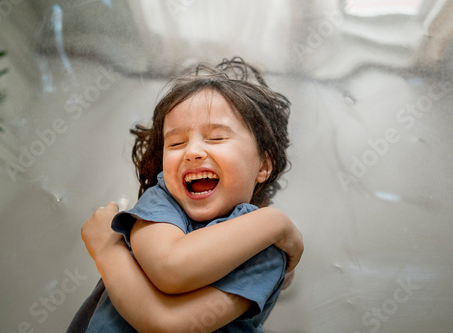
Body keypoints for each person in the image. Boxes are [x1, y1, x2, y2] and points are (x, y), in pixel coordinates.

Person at [68, 57, 304, 333]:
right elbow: (168, 264)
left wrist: (107, 248)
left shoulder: (266, 248)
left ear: (263, 165)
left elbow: (168, 323)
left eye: (216, 138)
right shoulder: (163, 201)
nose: (192, 152)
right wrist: (277, 225)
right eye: (176, 143)